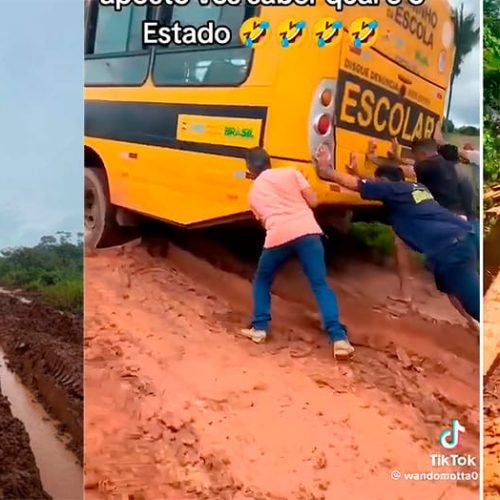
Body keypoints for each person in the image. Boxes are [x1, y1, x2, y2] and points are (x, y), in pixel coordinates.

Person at [314, 145, 479, 322]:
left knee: (478, 305)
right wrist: (358, 172)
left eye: (378, 182)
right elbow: (377, 188)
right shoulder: (414, 189)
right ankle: (476, 329)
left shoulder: (395, 191)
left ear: (385, 182)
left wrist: (325, 170)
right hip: (462, 237)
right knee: (455, 292)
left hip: (451, 249)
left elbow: (359, 186)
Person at [241, 147, 354, 360]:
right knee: (320, 285)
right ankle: (339, 339)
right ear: (269, 161)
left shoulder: (253, 193)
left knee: (263, 280)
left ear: (250, 167)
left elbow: (266, 222)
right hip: (308, 233)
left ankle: (259, 328)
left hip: (278, 236)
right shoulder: (291, 173)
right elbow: (313, 202)